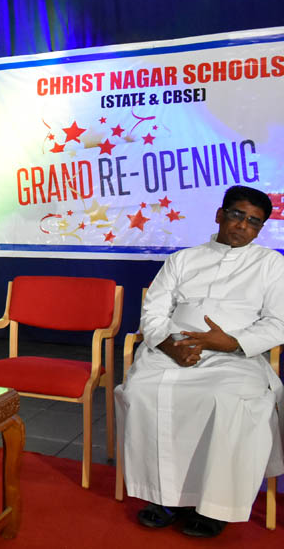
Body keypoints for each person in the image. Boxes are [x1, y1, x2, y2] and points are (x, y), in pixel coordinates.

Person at [116, 185, 284, 538]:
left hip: (234, 356)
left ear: (260, 229)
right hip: (174, 349)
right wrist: (170, 344)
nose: (243, 225)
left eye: (254, 221)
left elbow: (278, 322)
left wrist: (233, 342)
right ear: (220, 215)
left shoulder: (271, 264)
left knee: (227, 401)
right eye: (237, 215)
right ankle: (163, 497)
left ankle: (214, 506)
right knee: (143, 391)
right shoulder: (182, 259)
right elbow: (154, 311)